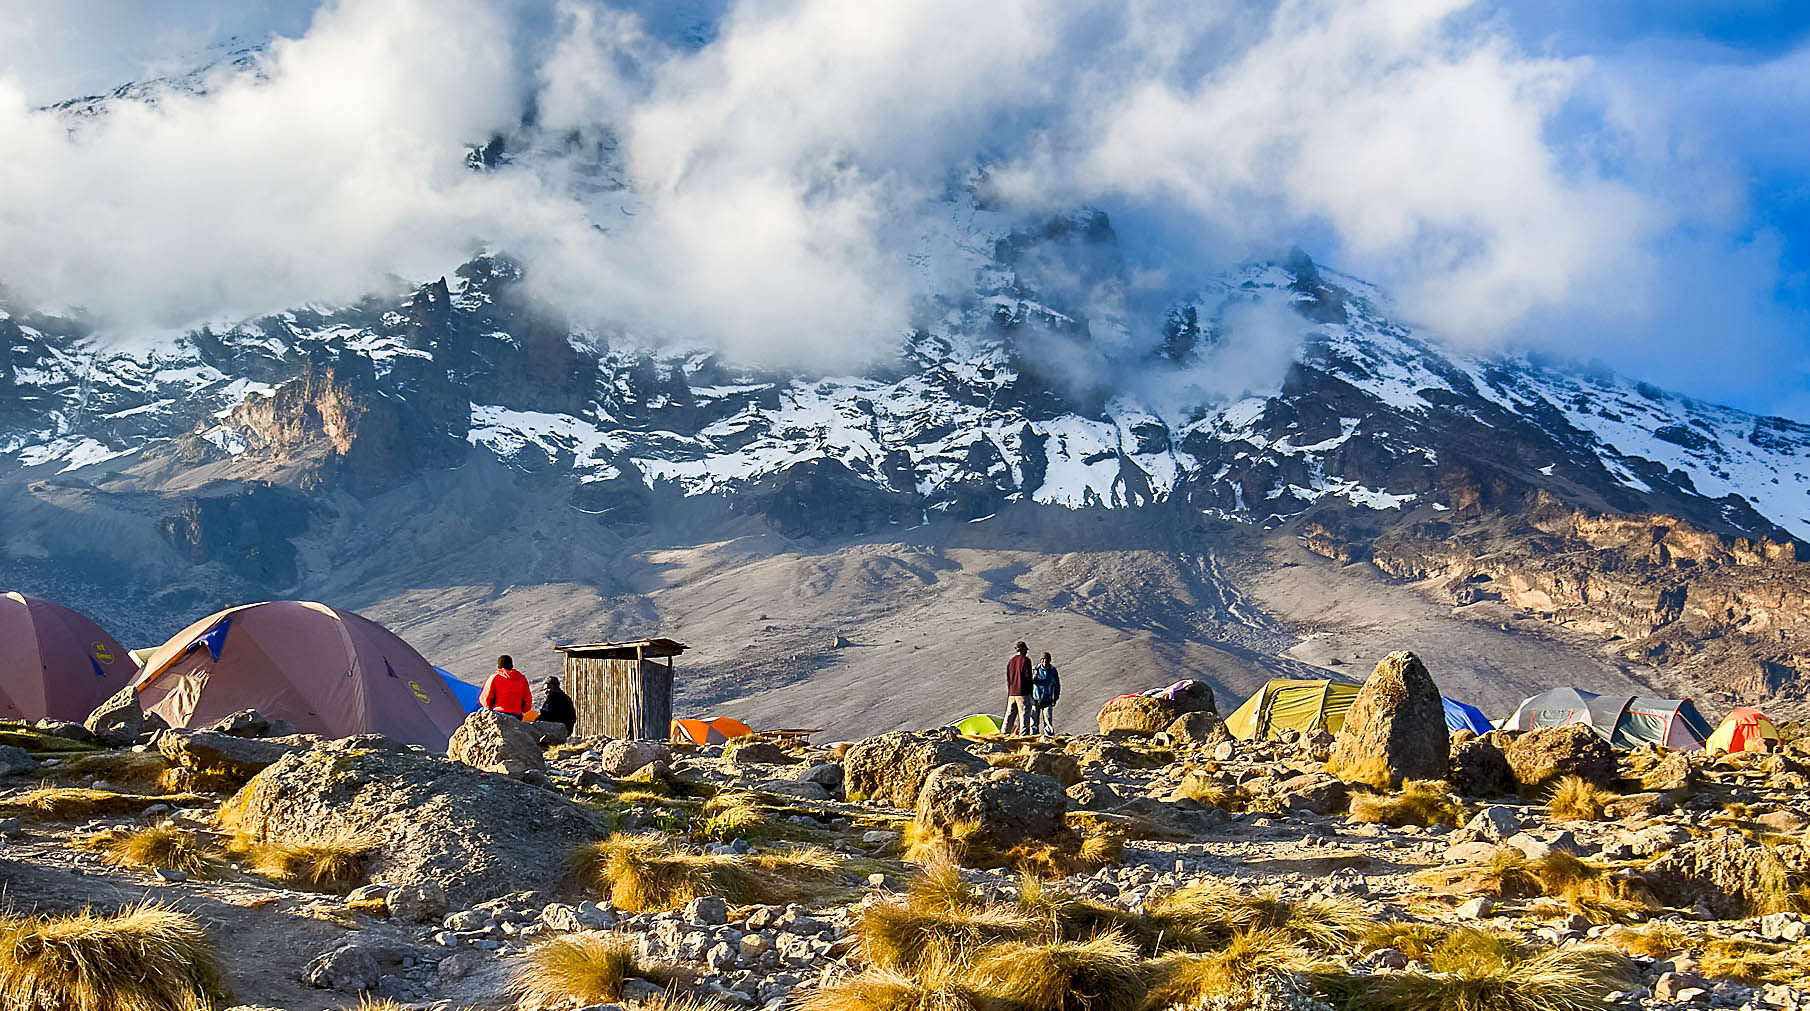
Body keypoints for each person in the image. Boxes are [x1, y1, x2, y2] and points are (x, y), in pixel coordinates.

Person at [479, 655, 532, 719]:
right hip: (516, 714)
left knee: (479, 713)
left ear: (499, 666)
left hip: (499, 713)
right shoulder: (521, 678)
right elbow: (527, 699)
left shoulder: (494, 677)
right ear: (511, 665)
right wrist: (523, 709)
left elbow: (486, 697)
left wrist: (488, 708)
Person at [1003, 641, 1032, 734]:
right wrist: (1031, 693)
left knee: (1009, 715)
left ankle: (1004, 734)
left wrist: (1010, 691)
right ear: (1024, 651)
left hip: (1012, 693)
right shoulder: (1026, 661)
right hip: (1023, 693)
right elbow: (1028, 678)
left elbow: (1008, 679)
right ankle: (1023, 735)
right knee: (1024, 715)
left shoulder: (1011, 662)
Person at [1029, 651, 1060, 735]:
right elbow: (1029, 684)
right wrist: (1030, 698)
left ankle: (1049, 737)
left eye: (1046, 660)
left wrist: (1055, 698)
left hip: (1047, 700)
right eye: (1043, 660)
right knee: (1034, 721)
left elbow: (1056, 685)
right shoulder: (1035, 669)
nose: (1044, 662)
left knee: (1048, 720)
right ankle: (1034, 737)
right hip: (1035, 700)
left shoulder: (1052, 671)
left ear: (1049, 660)